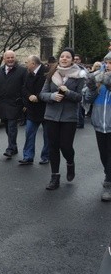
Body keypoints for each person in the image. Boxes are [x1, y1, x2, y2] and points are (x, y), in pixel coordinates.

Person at [39, 48, 85, 190]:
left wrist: (68, 92)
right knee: (53, 147)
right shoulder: (52, 73)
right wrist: (52, 96)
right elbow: (42, 94)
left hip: (68, 117)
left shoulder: (79, 75)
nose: (64, 58)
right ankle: (55, 177)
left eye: (68, 57)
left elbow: (79, 97)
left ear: (72, 59)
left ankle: (70, 163)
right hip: (51, 115)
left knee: (65, 146)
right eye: (62, 56)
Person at [84, 59, 111, 201]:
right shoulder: (97, 77)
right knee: (104, 155)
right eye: (107, 62)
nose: (108, 65)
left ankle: (108, 183)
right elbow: (87, 99)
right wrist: (92, 87)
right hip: (100, 124)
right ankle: (108, 174)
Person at [0, 50, 27, 158]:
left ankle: (10, 148)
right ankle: (14, 146)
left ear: (15, 58)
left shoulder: (22, 71)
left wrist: (24, 103)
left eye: (12, 57)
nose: (10, 59)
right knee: (7, 127)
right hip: (2, 104)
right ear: (4, 59)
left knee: (12, 126)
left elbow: (25, 87)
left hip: (15, 104)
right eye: (8, 58)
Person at [18, 55, 49, 165]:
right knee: (29, 133)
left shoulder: (47, 72)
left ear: (33, 63)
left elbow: (48, 89)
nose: (26, 64)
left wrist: (38, 97)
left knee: (47, 135)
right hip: (32, 108)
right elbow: (24, 88)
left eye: (27, 62)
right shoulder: (28, 74)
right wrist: (29, 96)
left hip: (46, 108)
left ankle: (46, 156)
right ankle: (28, 156)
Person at [74, 54, 87, 128]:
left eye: (77, 59)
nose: (75, 60)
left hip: (81, 90)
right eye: (74, 59)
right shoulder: (71, 68)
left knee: (79, 107)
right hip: (73, 90)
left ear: (80, 60)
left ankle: (80, 122)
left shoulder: (82, 69)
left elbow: (86, 80)